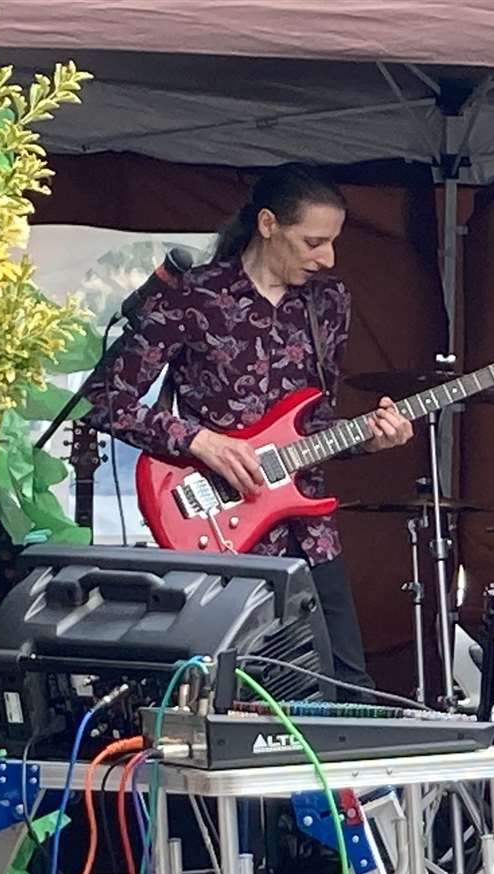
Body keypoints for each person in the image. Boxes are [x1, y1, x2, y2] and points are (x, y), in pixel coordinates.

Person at [84, 164, 411, 692]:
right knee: (231, 695)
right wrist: (197, 439)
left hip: (309, 532)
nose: (326, 257)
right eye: (313, 242)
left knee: (347, 688)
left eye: (332, 243)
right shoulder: (192, 295)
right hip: (215, 530)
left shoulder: (328, 303)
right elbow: (104, 399)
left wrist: (369, 437)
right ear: (266, 224)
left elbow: (315, 424)